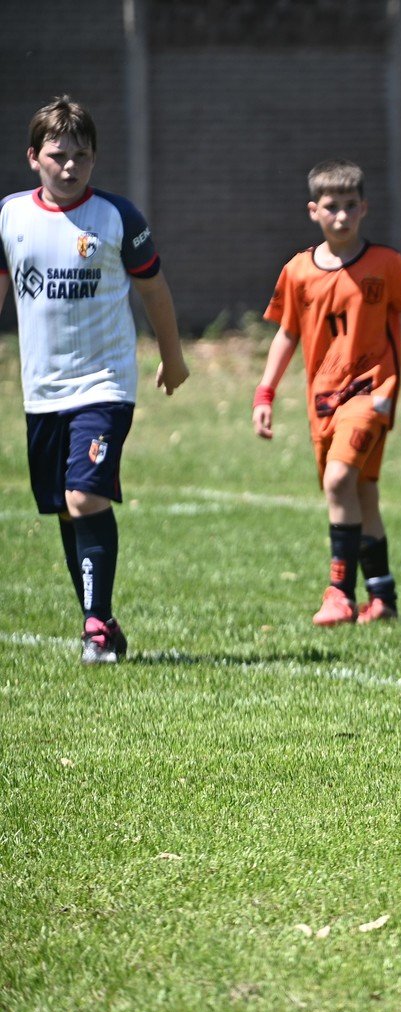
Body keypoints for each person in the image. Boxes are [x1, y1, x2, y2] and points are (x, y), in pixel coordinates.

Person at [0, 96, 189, 664]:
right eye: (58, 155)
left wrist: (173, 356)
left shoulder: (117, 218)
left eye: (81, 155)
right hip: (42, 390)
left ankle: (95, 632)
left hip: (105, 385)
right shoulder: (10, 216)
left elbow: (154, 290)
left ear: (95, 158)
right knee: (64, 505)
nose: (69, 166)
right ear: (34, 157)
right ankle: (99, 615)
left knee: (85, 497)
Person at [252, 159, 401, 626]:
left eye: (349, 206)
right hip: (322, 399)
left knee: (339, 480)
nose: (340, 216)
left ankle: (339, 593)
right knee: (360, 493)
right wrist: (265, 392)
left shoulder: (385, 264)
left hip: (372, 394)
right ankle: (382, 597)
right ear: (313, 211)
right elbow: (286, 333)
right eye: (330, 207)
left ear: (364, 209)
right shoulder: (298, 271)